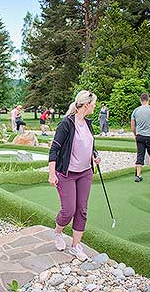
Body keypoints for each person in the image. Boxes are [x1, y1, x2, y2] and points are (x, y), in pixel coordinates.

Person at [48, 90, 101, 262]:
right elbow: (54, 149)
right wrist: (51, 174)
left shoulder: (89, 123)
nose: (95, 107)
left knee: (82, 210)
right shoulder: (66, 124)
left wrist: (95, 155)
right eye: (93, 104)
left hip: (85, 172)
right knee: (68, 211)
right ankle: (58, 232)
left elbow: (90, 145)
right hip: (66, 173)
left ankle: (76, 246)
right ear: (86, 105)